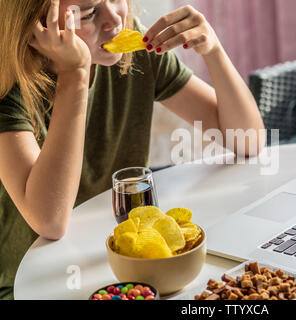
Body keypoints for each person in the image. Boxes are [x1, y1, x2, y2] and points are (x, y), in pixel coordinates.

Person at [0, 0, 265, 300]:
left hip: (120, 270)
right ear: (36, 24)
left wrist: (214, 51)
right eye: (88, 13)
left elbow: (248, 139)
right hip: (32, 283)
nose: (114, 19)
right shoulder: (8, 85)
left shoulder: (129, 49)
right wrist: (74, 73)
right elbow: (50, 221)